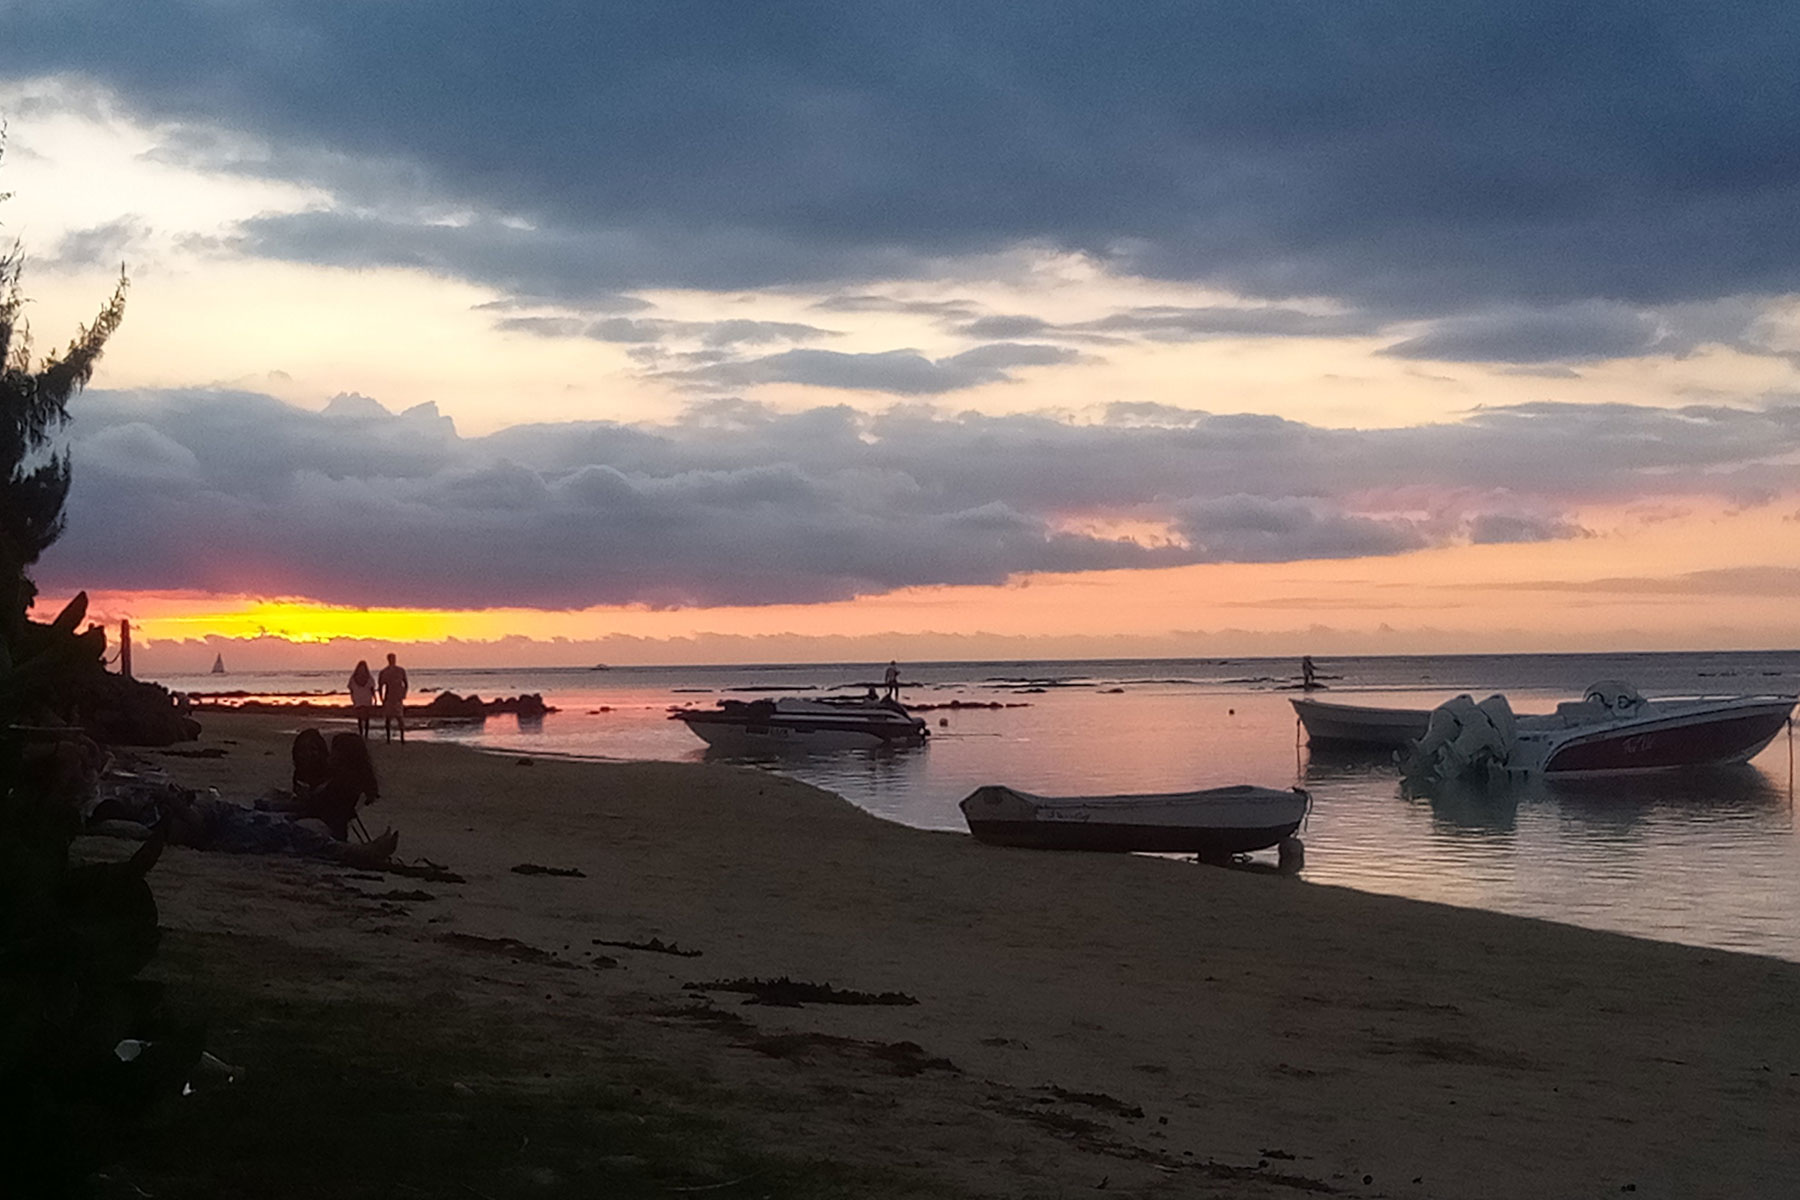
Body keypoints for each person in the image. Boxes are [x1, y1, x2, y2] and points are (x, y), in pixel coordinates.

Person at [300, 732, 380, 841]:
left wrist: (308, 796)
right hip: (331, 825)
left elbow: (319, 807)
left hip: (327, 829)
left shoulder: (344, 783)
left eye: (334, 751)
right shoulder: (355, 779)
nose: (330, 754)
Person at [377, 651, 409, 743]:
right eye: (391, 659)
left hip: (398, 697)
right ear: (388, 660)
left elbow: (406, 683)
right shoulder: (384, 672)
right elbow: (380, 686)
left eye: (394, 659)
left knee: (400, 718)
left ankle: (402, 738)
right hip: (389, 697)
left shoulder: (401, 671)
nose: (393, 661)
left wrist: (404, 694)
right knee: (388, 719)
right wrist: (381, 698)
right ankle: (388, 739)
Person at [348, 660, 377, 738]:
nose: (362, 670)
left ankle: (366, 734)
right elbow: (351, 688)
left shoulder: (369, 678)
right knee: (360, 718)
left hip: (367, 698)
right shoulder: (353, 678)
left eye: (363, 668)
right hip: (358, 699)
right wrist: (352, 698)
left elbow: (372, 689)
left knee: (367, 717)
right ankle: (361, 733)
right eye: (361, 668)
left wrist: (375, 698)